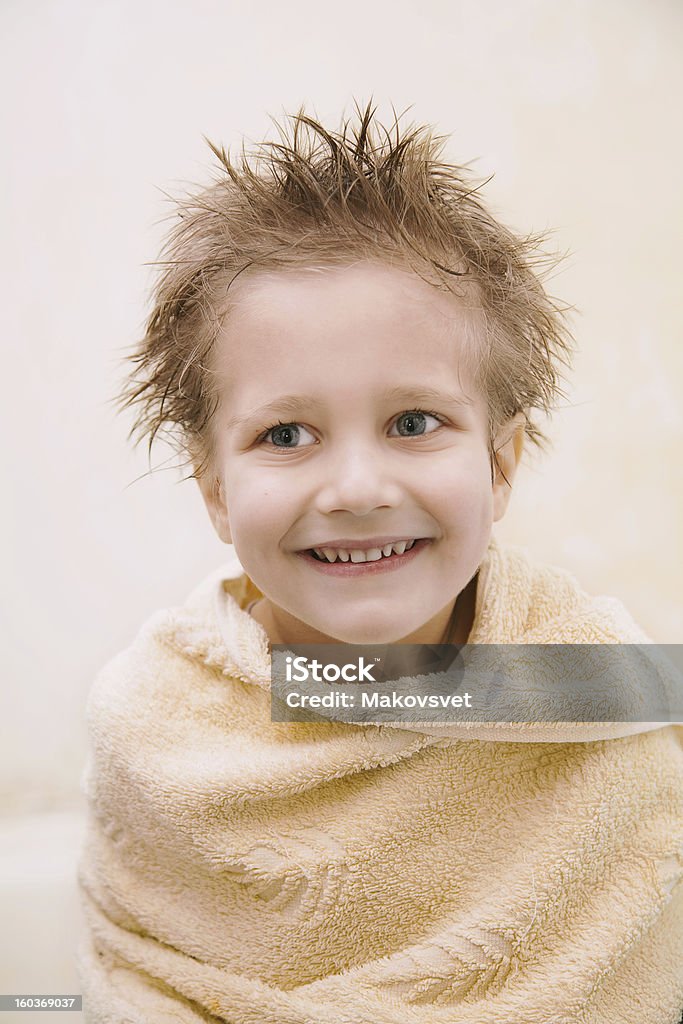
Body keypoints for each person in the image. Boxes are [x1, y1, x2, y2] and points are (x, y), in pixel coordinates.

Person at [77, 106, 683, 1023]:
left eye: (412, 423)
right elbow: (139, 981)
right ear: (214, 491)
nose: (356, 486)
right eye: (286, 434)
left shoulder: (605, 696)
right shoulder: (157, 730)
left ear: (500, 462)